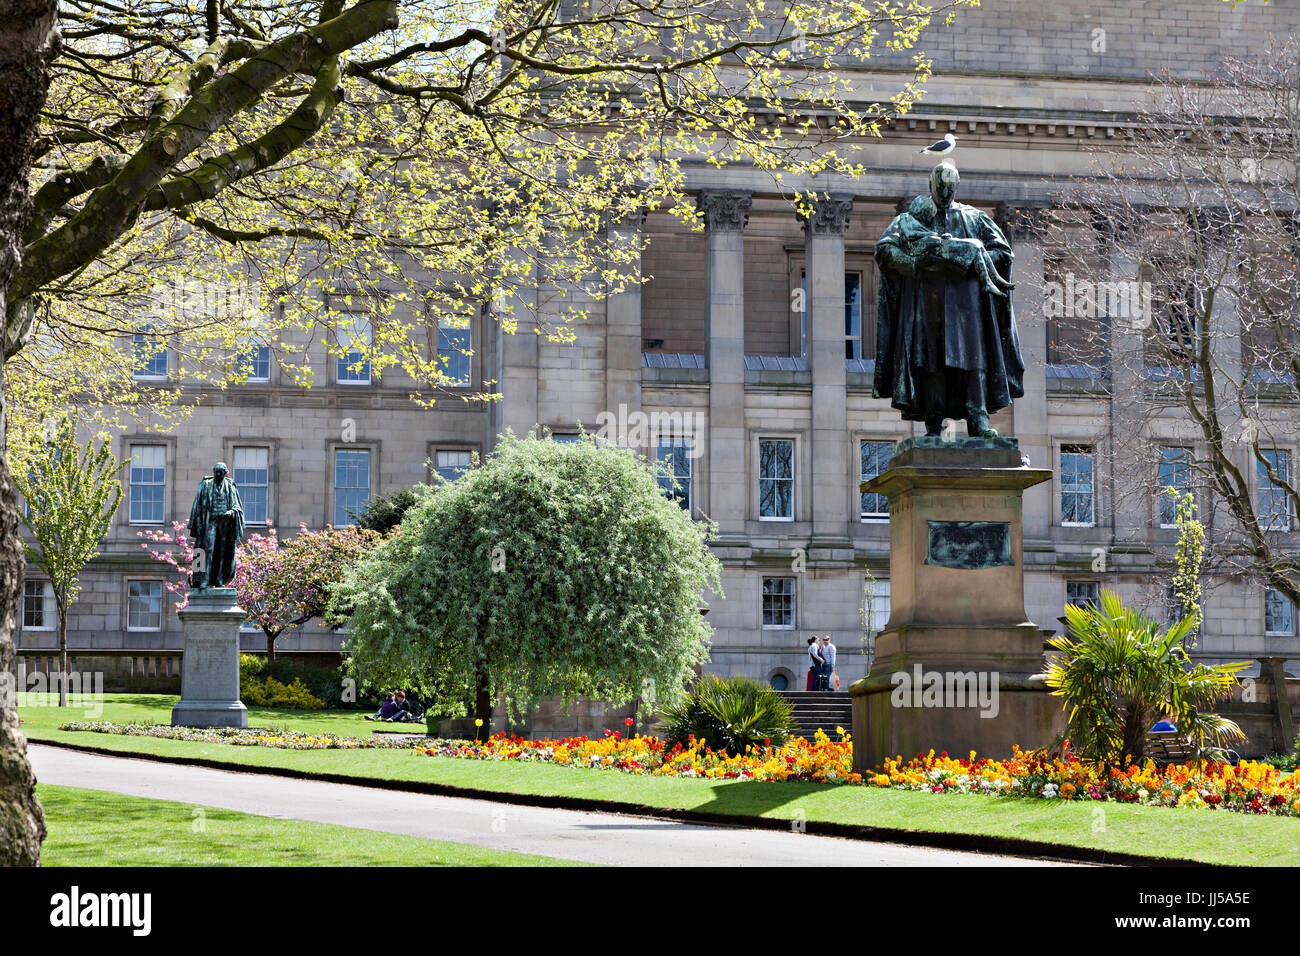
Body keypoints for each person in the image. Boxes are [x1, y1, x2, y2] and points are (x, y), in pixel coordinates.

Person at [873, 162, 1026, 438]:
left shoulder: (974, 218)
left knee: (974, 361)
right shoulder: (912, 219)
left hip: (967, 306)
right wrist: (915, 261)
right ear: (931, 185)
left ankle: (978, 420)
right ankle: (933, 424)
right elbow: (884, 251)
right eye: (940, 186)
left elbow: (1003, 253)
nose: (945, 192)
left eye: (949, 187)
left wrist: (969, 259)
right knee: (930, 361)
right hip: (926, 304)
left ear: (957, 186)